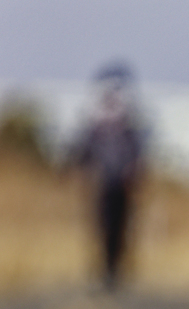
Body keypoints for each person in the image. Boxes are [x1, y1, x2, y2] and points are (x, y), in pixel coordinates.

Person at [69, 62, 146, 291]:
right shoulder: (96, 129)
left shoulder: (128, 129)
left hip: (122, 186)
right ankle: (105, 271)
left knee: (120, 229)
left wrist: (136, 175)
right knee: (103, 227)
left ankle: (115, 270)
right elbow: (83, 152)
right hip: (102, 184)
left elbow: (137, 156)